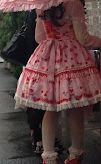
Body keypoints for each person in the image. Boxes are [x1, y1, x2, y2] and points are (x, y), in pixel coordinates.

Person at [14, 0, 101, 164]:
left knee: (50, 108)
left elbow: (39, 37)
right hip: (72, 58)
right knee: (76, 108)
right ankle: (75, 155)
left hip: (47, 58)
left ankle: (48, 157)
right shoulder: (74, 4)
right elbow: (83, 38)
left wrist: (53, 39)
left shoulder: (42, 5)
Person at [24, 9, 64, 155]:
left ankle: (45, 139)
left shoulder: (39, 8)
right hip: (41, 60)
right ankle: (39, 139)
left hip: (38, 59)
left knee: (43, 103)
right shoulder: (39, 9)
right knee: (41, 103)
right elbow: (37, 37)